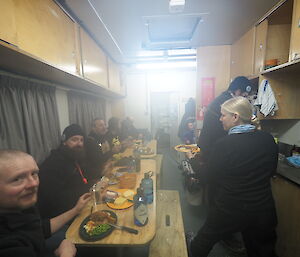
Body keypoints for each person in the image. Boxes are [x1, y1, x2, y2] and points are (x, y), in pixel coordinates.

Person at [188, 97, 278, 257]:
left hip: (230, 207)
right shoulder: (268, 139)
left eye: (223, 115)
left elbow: (207, 177)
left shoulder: (224, 144)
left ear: (235, 117)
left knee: (202, 242)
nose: (220, 119)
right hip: (263, 209)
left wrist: (192, 159)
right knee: (261, 251)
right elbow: (271, 171)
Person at [193, 76, 253, 252]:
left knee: (216, 190)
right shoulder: (228, 104)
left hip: (214, 148)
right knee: (218, 193)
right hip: (216, 150)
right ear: (239, 92)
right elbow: (220, 133)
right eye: (245, 96)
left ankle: (217, 229)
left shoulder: (220, 100)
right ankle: (222, 234)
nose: (221, 118)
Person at [0, 150, 91, 257]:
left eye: (34, 174)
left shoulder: (20, 208)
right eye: (17, 179)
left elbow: (39, 229)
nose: (33, 183)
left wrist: (76, 210)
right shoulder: (7, 245)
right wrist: (66, 254)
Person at [37, 124, 93, 219]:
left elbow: (82, 180)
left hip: (79, 206)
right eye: (74, 139)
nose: (79, 144)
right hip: (60, 217)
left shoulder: (74, 157)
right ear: (64, 142)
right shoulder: (53, 163)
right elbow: (54, 199)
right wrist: (88, 192)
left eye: (81, 140)